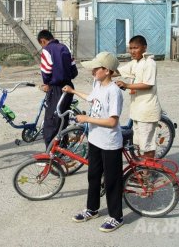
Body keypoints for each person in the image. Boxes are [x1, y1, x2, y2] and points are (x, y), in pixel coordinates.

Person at [63, 51, 124, 233]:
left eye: (96, 69)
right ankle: (92, 209)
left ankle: (116, 216)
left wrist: (87, 119)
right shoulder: (98, 84)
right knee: (93, 176)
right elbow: (91, 99)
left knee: (112, 180)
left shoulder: (114, 92)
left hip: (110, 142)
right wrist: (72, 91)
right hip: (95, 139)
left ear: (107, 71)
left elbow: (112, 121)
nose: (92, 72)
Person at [116, 35, 161, 158]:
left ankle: (148, 173)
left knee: (147, 145)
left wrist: (126, 85)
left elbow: (148, 84)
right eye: (130, 48)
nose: (132, 51)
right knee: (138, 144)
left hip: (147, 110)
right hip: (137, 111)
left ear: (144, 48)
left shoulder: (149, 63)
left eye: (135, 48)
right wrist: (103, 70)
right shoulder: (135, 63)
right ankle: (143, 169)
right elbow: (118, 72)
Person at [37, 29, 78, 149]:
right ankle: (63, 149)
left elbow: (46, 71)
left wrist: (47, 83)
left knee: (51, 121)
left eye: (41, 44)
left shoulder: (47, 50)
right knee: (63, 119)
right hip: (68, 87)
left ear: (43, 41)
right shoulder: (65, 48)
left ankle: (50, 153)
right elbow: (74, 71)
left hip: (56, 89)